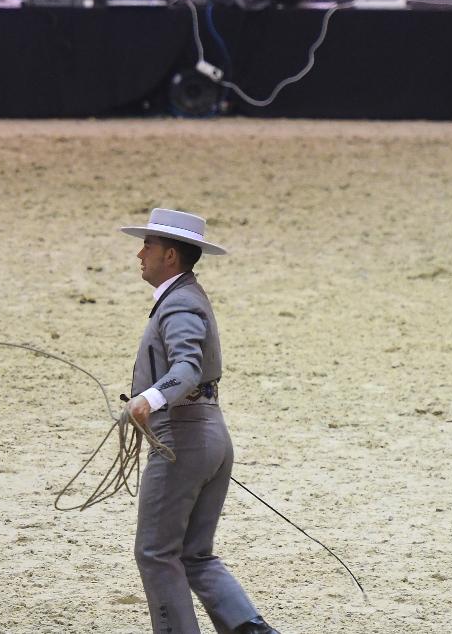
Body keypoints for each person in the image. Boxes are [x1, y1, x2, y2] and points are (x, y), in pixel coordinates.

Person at [120, 208, 280, 634]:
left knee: (155, 552)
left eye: (148, 247)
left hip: (183, 438)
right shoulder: (189, 297)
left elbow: (187, 366)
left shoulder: (179, 306)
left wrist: (148, 400)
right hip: (209, 436)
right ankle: (250, 629)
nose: (140, 254)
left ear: (170, 256)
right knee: (194, 553)